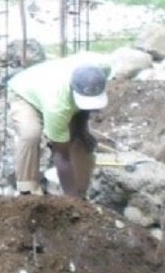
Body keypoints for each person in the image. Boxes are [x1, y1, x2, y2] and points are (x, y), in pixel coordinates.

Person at [8, 53, 112, 198]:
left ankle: (81, 195)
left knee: (81, 141)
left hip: (52, 88)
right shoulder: (57, 106)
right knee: (31, 134)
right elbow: (61, 156)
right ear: (73, 89)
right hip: (24, 93)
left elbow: (84, 109)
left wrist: (82, 129)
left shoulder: (103, 69)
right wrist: (71, 200)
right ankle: (27, 191)